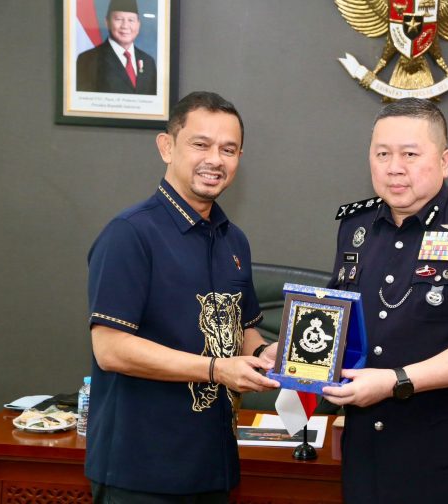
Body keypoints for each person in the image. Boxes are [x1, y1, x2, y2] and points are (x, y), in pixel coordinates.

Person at [322, 98, 448, 504]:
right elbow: (341, 319)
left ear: (445, 161)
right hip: (368, 459)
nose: (394, 167)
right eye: (382, 154)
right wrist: (292, 352)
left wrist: (394, 381)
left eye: (410, 154)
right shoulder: (356, 226)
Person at [86, 91, 279, 503]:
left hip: (213, 466)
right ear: (167, 147)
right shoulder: (130, 234)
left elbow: (242, 329)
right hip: (142, 471)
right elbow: (110, 349)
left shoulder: (234, 240)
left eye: (228, 149)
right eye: (200, 144)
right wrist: (215, 369)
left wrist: (267, 353)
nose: (215, 159)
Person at [77, 0, 157, 94]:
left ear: (138, 25)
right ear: (107, 22)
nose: (125, 26)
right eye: (119, 19)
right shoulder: (88, 59)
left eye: (131, 20)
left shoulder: (148, 62)